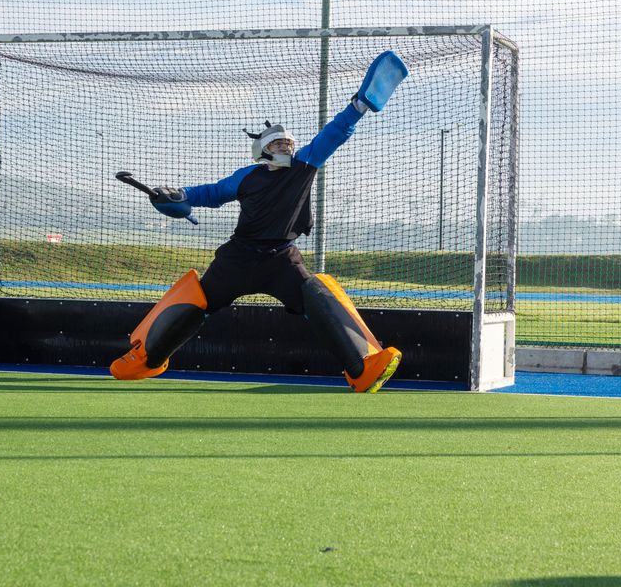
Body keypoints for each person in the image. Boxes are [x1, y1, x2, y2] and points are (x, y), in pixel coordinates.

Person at [111, 51, 408, 393]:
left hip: (282, 259)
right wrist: (179, 194)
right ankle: (145, 361)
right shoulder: (246, 177)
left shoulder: (305, 165)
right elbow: (212, 192)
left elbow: (335, 133)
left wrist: (357, 106)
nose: (288, 146)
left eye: (290, 142)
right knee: (198, 302)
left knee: (317, 296)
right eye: (280, 142)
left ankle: (364, 368)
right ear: (264, 149)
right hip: (238, 258)